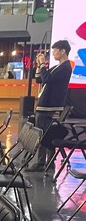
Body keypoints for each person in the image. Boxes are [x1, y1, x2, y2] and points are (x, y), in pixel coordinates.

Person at [27, 40, 73, 172]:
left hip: (50, 108)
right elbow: (40, 79)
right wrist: (39, 65)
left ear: (63, 51)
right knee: (43, 134)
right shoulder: (57, 67)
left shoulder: (65, 67)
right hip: (44, 106)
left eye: (55, 51)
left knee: (47, 136)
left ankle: (46, 163)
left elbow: (46, 78)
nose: (53, 54)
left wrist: (42, 64)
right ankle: (43, 163)